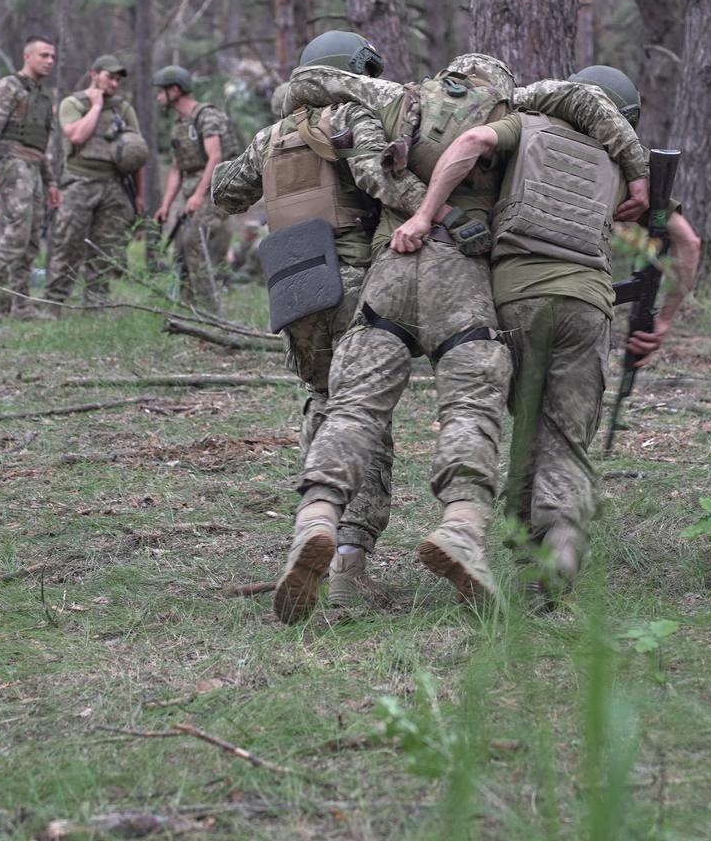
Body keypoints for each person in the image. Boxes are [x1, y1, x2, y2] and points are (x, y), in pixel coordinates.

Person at [271, 53, 652, 624]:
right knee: (471, 409)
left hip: (390, 269)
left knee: (353, 408)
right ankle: (462, 528)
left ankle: (318, 519)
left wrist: (295, 120)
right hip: (463, 279)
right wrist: (638, 170)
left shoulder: (396, 99)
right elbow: (587, 101)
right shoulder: (517, 110)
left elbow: (306, 83)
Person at [393, 63, 695, 596]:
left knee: (529, 419)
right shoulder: (629, 168)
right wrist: (664, 320)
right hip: (586, 305)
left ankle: (524, 540)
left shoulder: (523, 127)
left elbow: (471, 140)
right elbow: (688, 245)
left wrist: (424, 213)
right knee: (566, 434)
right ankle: (554, 550)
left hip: (515, 301)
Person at [211, 30, 419, 605]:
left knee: (323, 401)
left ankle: (314, 529)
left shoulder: (272, 136)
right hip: (354, 280)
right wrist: (433, 206)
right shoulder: (354, 119)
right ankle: (350, 558)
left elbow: (225, 193)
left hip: (295, 286)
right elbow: (382, 181)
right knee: (363, 413)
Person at [0, 37, 62, 322]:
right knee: (17, 231)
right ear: (27, 56)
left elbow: (41, 146)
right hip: (12, 164)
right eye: (44, 55)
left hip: (34, 169)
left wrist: (52, 182)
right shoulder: (9, 86)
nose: (50, 61)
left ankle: (21, 304)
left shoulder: (42, 99)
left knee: (31, 238)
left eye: (52, 57)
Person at [43, 55, 148, 311]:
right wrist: (96, 106)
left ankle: (96, 305)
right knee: (68, 246)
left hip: (113, 186)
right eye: (109, 77)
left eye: (118, 80)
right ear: (94, 74)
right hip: (78, 183)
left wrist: (139, 196)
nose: (114, 83)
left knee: (105, 251)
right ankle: (52, 304)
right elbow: (77, 136)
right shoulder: (73, 103)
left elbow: (136, 153)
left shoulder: (124, 109)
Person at [154, 65, 232, 313]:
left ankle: (211, 315)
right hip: (190, 193)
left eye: (161, 92)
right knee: (182, 251)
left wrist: (199, 195)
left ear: (174, 90)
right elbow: (177, 169)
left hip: (212, 191)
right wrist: (166, 205)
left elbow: (215, 157)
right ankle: (189, 311)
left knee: (196, 247)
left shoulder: (206, 116)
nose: (158, 97)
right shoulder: (179, 124)